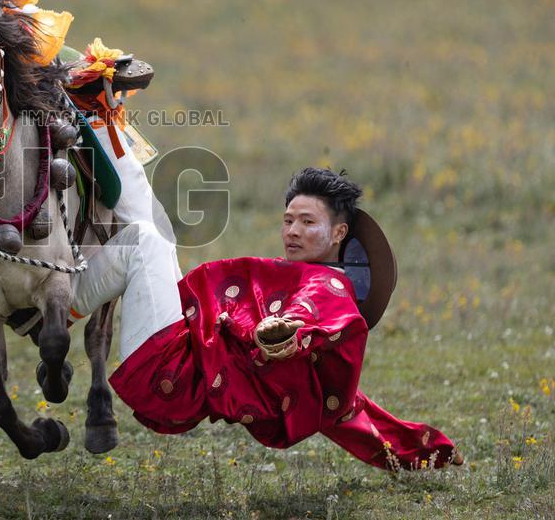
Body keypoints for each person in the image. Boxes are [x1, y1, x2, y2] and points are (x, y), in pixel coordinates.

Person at [71, 167, 463, 470]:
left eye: (308, 223)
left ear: (339, 232)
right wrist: (423, 452)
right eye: (289, 220)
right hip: (180, 346)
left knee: (144, 237)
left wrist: (285, 328)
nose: (292, 231)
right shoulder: (297, 276)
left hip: (170, 370)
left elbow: (311, 311)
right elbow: (348, 411)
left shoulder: (331, 289)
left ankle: (50, 295)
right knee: (150, 227)